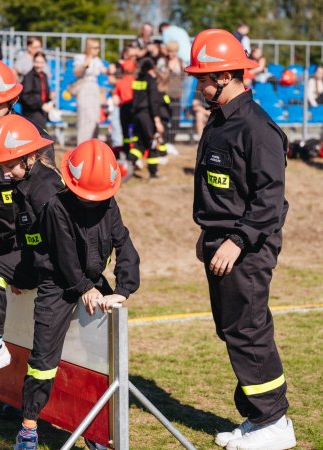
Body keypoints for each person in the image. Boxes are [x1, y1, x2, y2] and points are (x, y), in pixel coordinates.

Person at [185, 29, 296, 450]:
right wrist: (210, 235)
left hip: (246, 247)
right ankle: (257, 416)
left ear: (227, 76)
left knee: (248, 330)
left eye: (204, 78)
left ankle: (274, 422)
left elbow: (269, 201)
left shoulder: (257, 128)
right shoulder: (220, 120)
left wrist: (236, 240)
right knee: (232, 330)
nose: (198, 85)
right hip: (220, 240)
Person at [14, 138, 140, 450]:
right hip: (58, 284)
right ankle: (28, 430)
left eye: (99, 198)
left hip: (94, 284)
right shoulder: (56, 207)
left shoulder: (109, 204)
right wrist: (85, 288)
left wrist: (123, 289)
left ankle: (96, 430)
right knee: (43, 359)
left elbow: (124, 243)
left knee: (100, 360)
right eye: (87, 197)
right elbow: (65, 257)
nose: (93, 202)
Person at [0, 114, 63, 380]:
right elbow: (26, 234)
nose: (4, 173)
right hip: (35, 259)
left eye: (8, 166)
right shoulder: (23, 183)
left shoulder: (46, 189)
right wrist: (18, 270)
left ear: (29, 158)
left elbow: (63, 242)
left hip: (54, 268)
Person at [0, 59, 55, 258]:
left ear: (12, 100)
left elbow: (48, 199)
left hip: (37, 242)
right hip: (3, 236)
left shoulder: (36, 139)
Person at [129, 57, 164, 178]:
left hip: (137, 116)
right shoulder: (150, 80)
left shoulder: (137, 80)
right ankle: (153, 173)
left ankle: (127, 164)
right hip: (147, 116)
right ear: (151, 68)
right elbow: (153, 101)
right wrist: (157, 120)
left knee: (139, 144)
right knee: (153, 142)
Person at [73, 38, 107, 144]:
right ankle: (82, 145)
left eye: (98, 48)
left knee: (94, 120)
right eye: (95, 48)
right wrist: (86, 62)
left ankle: (93, 145)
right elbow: (76, 72)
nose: (98, 50)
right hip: (84, 88)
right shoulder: (80, 58)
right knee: (85, 119)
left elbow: (105, 71)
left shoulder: (97, 61)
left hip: (94, 89)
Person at [20, 51, 53, 128]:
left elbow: (44, 93)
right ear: (33, 62)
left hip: (41, 110)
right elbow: (26, 96)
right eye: (36, 62)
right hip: (31, 111)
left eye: (41, 62)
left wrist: (49, 98)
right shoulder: (28, 76)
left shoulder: (44, 76)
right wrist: (41, 104)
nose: (38, 65)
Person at [113, 59, 137, 157]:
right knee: (135, 130)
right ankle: (135, 150)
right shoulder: (136, 81)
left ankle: (126, 150)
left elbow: (115, 99)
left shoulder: (120, 82)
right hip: (135, 107)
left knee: (125, 130)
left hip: (124, 108)